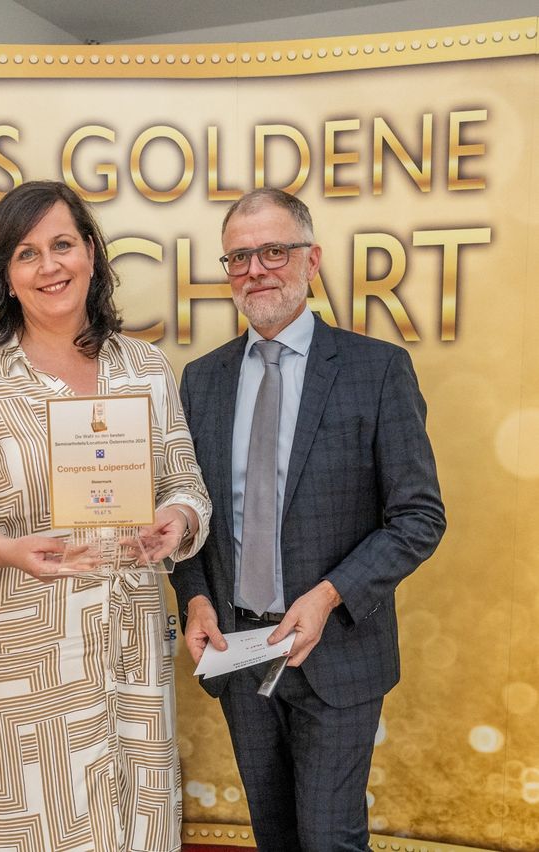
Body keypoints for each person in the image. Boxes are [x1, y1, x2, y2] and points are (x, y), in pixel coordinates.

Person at [0, 180, 211, 852]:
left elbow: (187, 483)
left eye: (62, 245)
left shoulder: (145, 367)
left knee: (137, 828)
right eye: (27, 253)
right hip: (29, 671)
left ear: (90, 254)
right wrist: (10, 551)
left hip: (131, 650)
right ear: (6, 276)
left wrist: (175, 521)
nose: (49, 266)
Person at [170, 189, 446, 852]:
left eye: (273, 251)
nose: (256, 269)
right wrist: (196, 597)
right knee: (275, 838)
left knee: (328, 840)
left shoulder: (376, 370)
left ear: (311, 259)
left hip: (339, 655)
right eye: (240, 257)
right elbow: (186, 514)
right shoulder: (201, 381)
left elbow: (419, 515)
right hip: (239, 656)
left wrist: (328, 597)